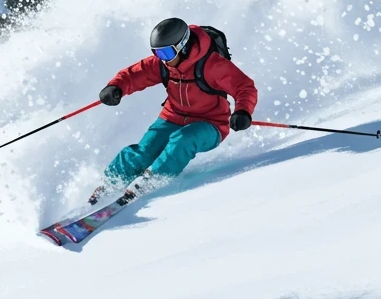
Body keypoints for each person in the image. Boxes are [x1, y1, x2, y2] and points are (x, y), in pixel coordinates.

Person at [91, 17, 258, 204]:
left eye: (167, 53)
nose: (162, 59)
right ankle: (110, 184)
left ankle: (151, 180)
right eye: (157, 53)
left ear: (183, 46)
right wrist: (116, 87)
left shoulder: (212, 65)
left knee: (183, 140)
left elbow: (244, 87)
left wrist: (243, 111)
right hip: (173, 116)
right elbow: (135, 74)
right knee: (144, 151)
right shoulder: (163, 64)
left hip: (211, 123)